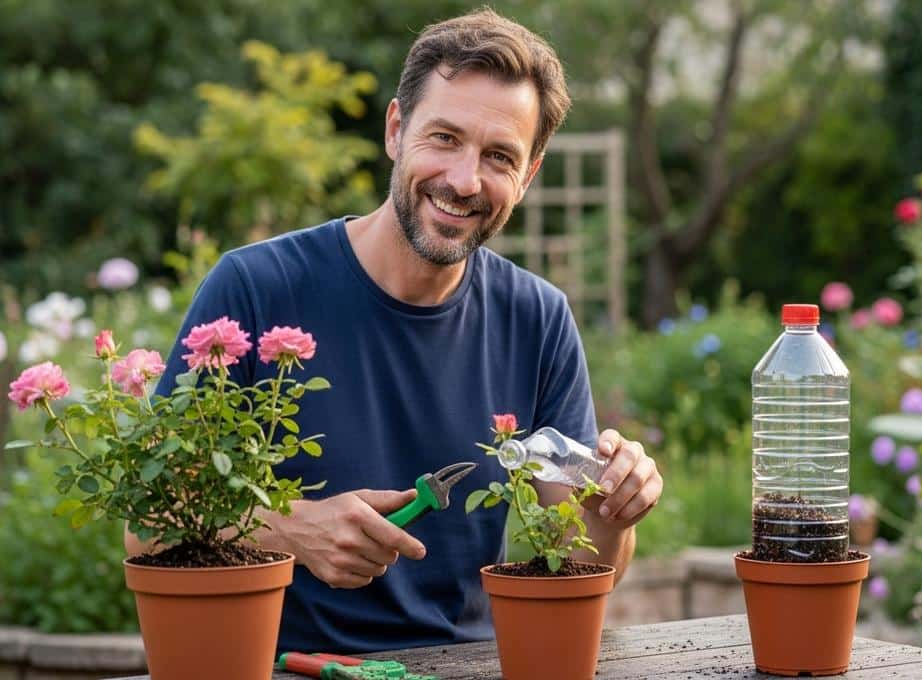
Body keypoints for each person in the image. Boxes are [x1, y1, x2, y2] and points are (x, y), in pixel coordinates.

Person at [125, 8, 663, 654]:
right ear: (395, 130)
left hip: (469, 668)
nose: (464, 181)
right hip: (296, 669)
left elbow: (586, 567)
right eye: (444, 138)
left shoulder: (538, 318)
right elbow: (148, 524)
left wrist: (614, 510)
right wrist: (293, 530)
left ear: (529, 175)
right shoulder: (255, 288)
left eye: (498, 156)